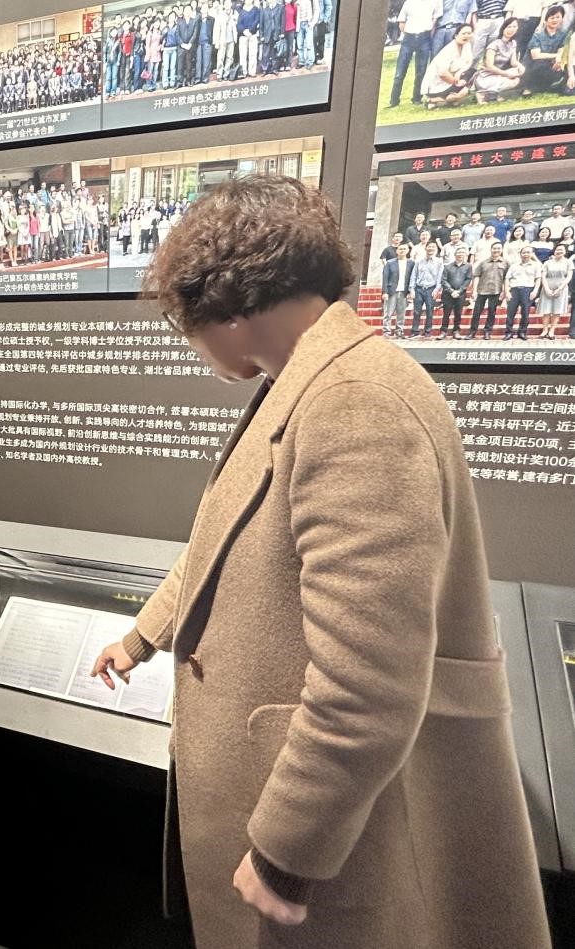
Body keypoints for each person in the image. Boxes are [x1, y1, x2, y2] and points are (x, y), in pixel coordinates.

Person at [88, 175, 550, 949]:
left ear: (226, 309)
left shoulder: (354, 402)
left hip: (338, 835)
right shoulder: (312, 380)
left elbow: (368, 680)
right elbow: (225, 542)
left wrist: (286, 851)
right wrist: (142, 637)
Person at [389, 0, 441, 107]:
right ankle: (394, 101)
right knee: (399, 72)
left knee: (421, 72)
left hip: (425, 38)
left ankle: (417, 99)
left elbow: (435, 19)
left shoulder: (435, 2)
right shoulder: (409, 2)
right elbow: (402, 22)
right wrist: (408, 34)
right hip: (409, 38)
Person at [422, 22, 476, 105]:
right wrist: (456, 83)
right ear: (456, 35)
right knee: (465, 89)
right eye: (463, 33)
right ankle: (436, 99)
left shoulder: (467, 45)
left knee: (473, 71)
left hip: (452, 79)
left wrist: (459, 72)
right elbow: (442, 73)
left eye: (469, 33)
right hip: (437, 85)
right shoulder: (449, 50)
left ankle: (449, 99)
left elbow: (469, 62)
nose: (466, 36)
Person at [475, 16, 527, 99]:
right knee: (512, 80)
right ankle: (483, 93)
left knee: (517, 76)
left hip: (499, 75)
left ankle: (491, 94)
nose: (511, 29)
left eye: (514, 27)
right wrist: (505, 74)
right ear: (503, 28)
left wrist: (520, 66)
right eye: (509, 27)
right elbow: (489, 66)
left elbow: (513, 62)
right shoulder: (494, 44)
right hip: (486, 77)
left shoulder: (513, 43)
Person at [522, 5, 568, 94]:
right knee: (541, 65)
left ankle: (553, 86)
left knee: (563, 66)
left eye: (558, 17)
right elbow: (536, 56)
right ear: (546, 20)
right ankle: (529, 88)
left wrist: (558, 60)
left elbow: (561, 50)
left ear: (562, 19)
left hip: (550, 64)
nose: (555, 20)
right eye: (552, 18)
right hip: (533, 65)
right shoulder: (538, 34)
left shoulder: (562, 34)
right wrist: (557, 56)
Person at [469, 239, 509, 338]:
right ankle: (472, 332)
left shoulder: (506, 263)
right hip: (482, 290)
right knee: (476, 312)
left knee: (492, 312)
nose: (496, 250)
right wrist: (474, 290)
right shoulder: (483, 262)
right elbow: (476, 276)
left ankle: (487, 331)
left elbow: (506, 278)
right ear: (491, 249)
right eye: (494, 248)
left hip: (496, 291)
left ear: (501, 250)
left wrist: (504, 291)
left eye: (498, 248)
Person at [503, 241, 542, 338]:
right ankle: (508, 332)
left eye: (528, 252)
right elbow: (507, 278)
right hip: (514, 290)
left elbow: (538, 279)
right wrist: (507, 292)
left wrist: (535, 291)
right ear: (520, 254)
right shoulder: (514, 265)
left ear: (532, 254)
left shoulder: (536, 265)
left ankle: (522, 332)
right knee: (510, 312)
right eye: (523, 252)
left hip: (528, 290)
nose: (526, 254)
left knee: (525, 312)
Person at [537, 239, 572, 337]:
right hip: (547, 287)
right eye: (557, 250)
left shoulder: (568, 262)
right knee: (546, 310)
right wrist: (546, 288)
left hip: (561, 288)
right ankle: (545, 330)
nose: (559, 251)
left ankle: (552, 330)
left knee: (557, 311)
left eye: (561, 250)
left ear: (565, 251)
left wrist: (559, 289)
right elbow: (543, 276)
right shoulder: (547, 263)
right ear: (554, 251)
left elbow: (568, 277)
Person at [436, 245, 472, 337]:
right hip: (448, 294)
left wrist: (459, 291)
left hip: (460, 294)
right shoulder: (447, 266)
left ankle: (456, 331)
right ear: (455, 254)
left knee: (458, 313)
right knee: (446, 313)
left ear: (465, 255)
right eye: (458, 253)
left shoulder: (468, 266)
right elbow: (444, 280)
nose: (460, 254)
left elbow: (468, 279)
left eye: (462, 253)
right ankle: (443, 331)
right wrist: (451, 291)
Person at [410, 239, 444, 336]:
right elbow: (414, 275)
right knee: (417, 311)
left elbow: (440, 277)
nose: (431, 248)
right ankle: (415, 330)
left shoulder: (439, 262)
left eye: (433, 247)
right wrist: (412, 289)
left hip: (431, 289)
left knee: (429, 311)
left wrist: (437, 289)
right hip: (419, 288)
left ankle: (428, 331)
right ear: (426, 248)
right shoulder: (419, 261)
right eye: (429, 246)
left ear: (436, 249)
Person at [380, 239, 414, 337]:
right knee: (388, 313)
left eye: (404, 249)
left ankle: (399, 330)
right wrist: (385, 292)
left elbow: (412, 277)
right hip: (391, 291)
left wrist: (411, 291)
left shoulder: (411, 263)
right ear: (397, 251)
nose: (402, 251)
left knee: (401, 313)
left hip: (404, 292)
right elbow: (385, 278)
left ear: (408, 250)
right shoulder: (390, 263)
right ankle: (386, 331)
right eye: (400, 249)